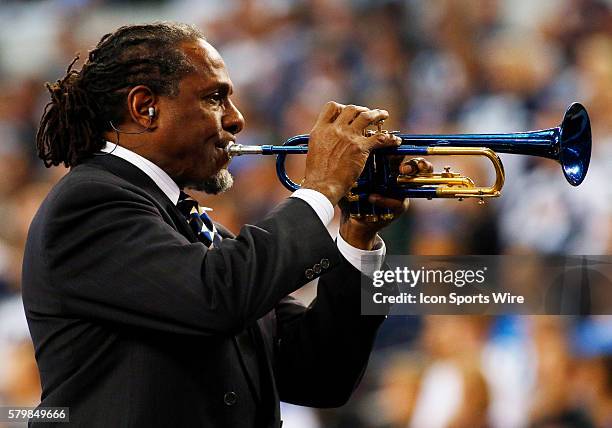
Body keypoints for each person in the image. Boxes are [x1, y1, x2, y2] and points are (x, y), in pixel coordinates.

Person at [22, 22, 424, 427]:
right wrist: (321, 187)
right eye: (215, 98)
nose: (237, 119)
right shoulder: (89, 202)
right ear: (145, 107)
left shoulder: (192, 228)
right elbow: (216, 296)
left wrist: (358, 236)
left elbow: (318, 376)